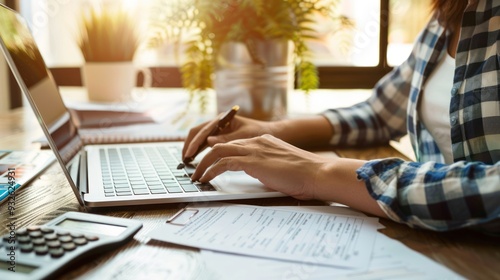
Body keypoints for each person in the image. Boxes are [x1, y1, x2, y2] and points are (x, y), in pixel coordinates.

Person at [182, 0, 500, 233]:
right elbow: (379, 114)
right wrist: (273, 130)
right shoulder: (451, 14)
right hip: (443, 239)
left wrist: (319, 172)